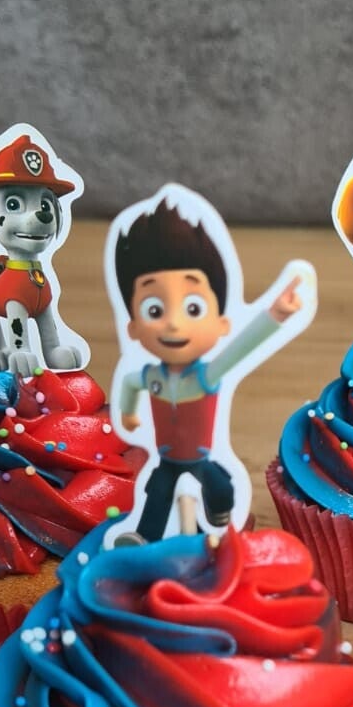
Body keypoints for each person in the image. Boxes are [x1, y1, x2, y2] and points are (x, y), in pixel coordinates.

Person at [113, 198, 304, 539]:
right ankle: (144, 539)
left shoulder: (207, 375)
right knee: (157, 492)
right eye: (154, 310)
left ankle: (219, 520)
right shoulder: (152, 378)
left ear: (221, 323)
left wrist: (275, 315)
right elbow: (129, 383)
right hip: (167, 459)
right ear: (134, 328)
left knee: (219, 485)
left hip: (200, 457)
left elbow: (242, 348)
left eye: (193, 308)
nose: (173, 324)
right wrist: (127, 414)